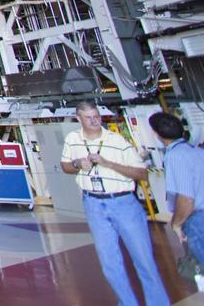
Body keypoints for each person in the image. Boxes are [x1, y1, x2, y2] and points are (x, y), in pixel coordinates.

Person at [61, 101, 170, 306]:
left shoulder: (118, 141)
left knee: (144, 260)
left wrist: (108, 163)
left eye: (96, 116)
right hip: (93, 203)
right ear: (79, 119)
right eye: (89, 118)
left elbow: (142, 174)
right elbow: (65, 165)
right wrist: (77, 164)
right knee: (109, 263)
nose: (94, 121)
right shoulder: (72, 139)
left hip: (123, 203)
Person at [150, 111, 204, 264]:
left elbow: (186, 199)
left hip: (198, 220)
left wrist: (176, 224)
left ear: (156, 133)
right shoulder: (198, 152)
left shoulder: (175, 156)